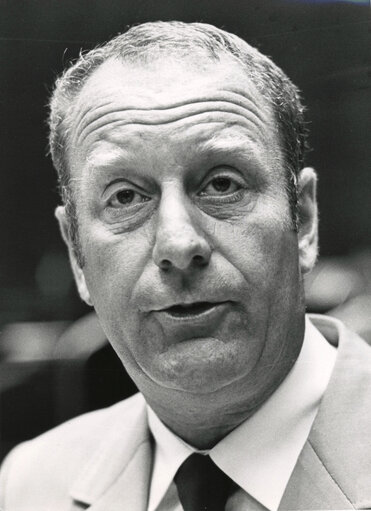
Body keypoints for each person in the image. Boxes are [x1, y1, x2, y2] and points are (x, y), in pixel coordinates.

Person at [1, 21, 370, 511]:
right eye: (125, 196)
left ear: (302, 221)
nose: (178, 243)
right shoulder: (29, 484)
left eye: (221, 184)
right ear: (77, 254)